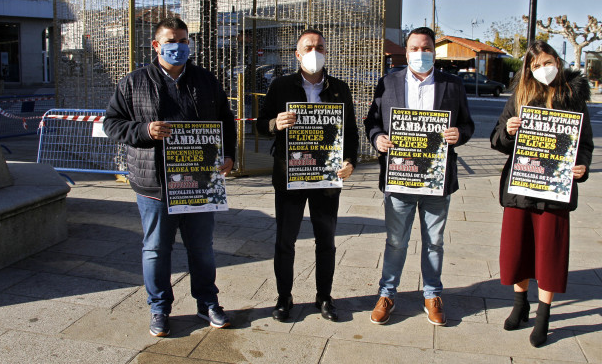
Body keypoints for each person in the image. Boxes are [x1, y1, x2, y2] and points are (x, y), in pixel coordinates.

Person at [104, 17, 237, 337]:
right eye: (171, 40)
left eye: (184, 40)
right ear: (156, 45)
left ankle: (207, 303)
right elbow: (112, 124)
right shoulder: (134, 82)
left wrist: (229, 154)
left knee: (202, 249)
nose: (178, 46)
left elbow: (225, 119)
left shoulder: (206, 80)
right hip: (154, 185)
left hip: (200, 183)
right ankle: (160, 308)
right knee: (155, 249)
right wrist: (143, 130)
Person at [364, 26, 475, 326]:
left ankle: (432, 295)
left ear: (434, 51)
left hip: (437, 180)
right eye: (415, 47)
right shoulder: (388, 82)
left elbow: (468, 125)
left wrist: (458, 135)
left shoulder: (452, 85)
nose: (420, 53)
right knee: (396, 241)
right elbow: (372, 122)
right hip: (399, 177)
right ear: (406, 50)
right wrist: (377, 139)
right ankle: (387, 294)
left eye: (426, 47)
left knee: (434, 242)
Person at [489, 40, 594, 348]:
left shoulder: (573, 97)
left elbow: (584, 143)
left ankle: (544, 314)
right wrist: (508, 130)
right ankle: (520, 305)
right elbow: (496, 140)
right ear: (528, 70)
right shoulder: (519, 96)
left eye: (546, 63)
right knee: (517, 250)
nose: (542, 70)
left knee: (550, 253)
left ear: (558, 62)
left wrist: (582, 167)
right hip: (521, 188)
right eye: (535, 66)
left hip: (555, 192)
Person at [257, 29, 359, 322]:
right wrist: (275, 123)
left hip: (326, 177)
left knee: (325, 240)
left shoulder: (339, 88)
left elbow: (350, 132)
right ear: (297, 54)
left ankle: (324, 297)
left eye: (320, 47)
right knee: (285, 241)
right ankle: (283, 297)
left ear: (326, 52)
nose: (315, 51)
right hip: (290, 175)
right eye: (308, 47)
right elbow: (260, 125)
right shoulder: (280, 85)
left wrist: (350, 161)